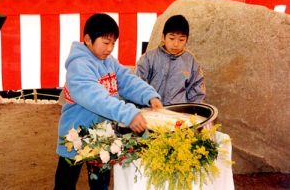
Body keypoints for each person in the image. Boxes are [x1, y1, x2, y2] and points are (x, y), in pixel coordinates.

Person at [54, 13, 163, 190]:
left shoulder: (109, 61)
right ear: (88, 39)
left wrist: (149, 95)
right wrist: (128, 114)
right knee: (65, 183)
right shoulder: (78, 66)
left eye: (113, 43)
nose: (110, 48)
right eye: (106, 43)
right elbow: (97, 98)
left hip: (101, 136)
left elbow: (127, 80)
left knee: (100, 183)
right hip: (74, 135)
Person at [135, 14, 206, 105]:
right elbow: (138, 85)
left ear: (186, 40)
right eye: (171, 38)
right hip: (151, 111)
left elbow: (197, 93)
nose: (176, 44)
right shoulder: (148, 58)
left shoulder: (191, 62)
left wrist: (191, 112)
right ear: (163, 37)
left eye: (181, 40)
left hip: (178, 114)